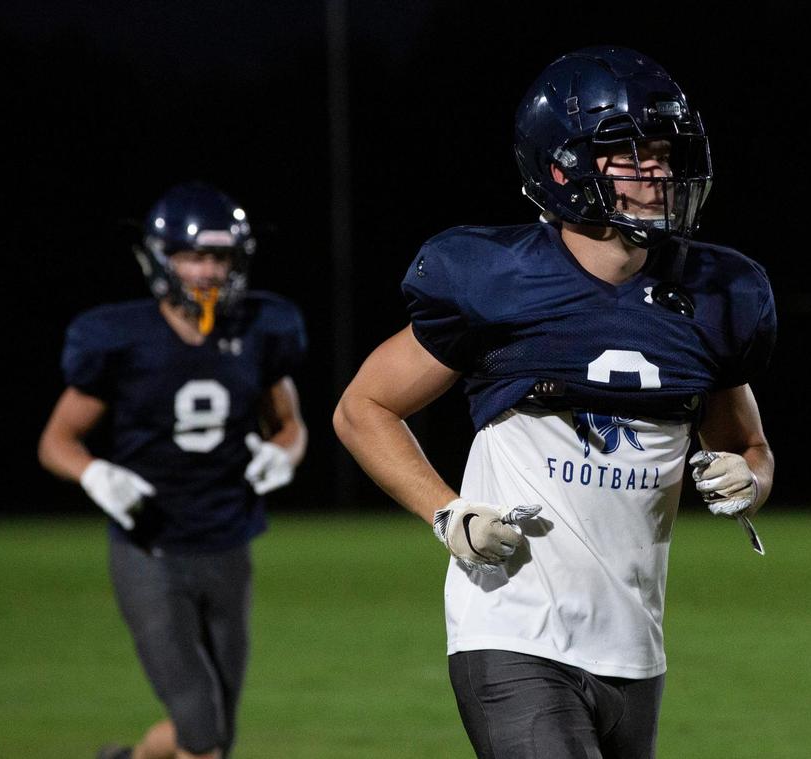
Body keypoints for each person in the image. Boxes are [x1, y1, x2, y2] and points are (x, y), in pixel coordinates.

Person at [333, 46, 776, 758]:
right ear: (564, 167)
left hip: (634, 644)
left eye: (665, 153)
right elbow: (364, 408)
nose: (659, 171)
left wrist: (747, 480)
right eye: (632, 154)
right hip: (512, 627)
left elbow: (749, 449)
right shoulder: (498, 279)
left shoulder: (716, 296)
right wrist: (447, 511)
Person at [38, 182, 307, 759]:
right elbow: (56, 441)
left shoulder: (260, 330)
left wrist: (283, 453)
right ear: (161, 260)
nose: (207, 271)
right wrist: (95, 475)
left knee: (212, 732)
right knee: (202, 733)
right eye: (192, 256)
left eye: (219, 257)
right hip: (151, 552)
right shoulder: (122, 338)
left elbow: (290, 425)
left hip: (228, 546)